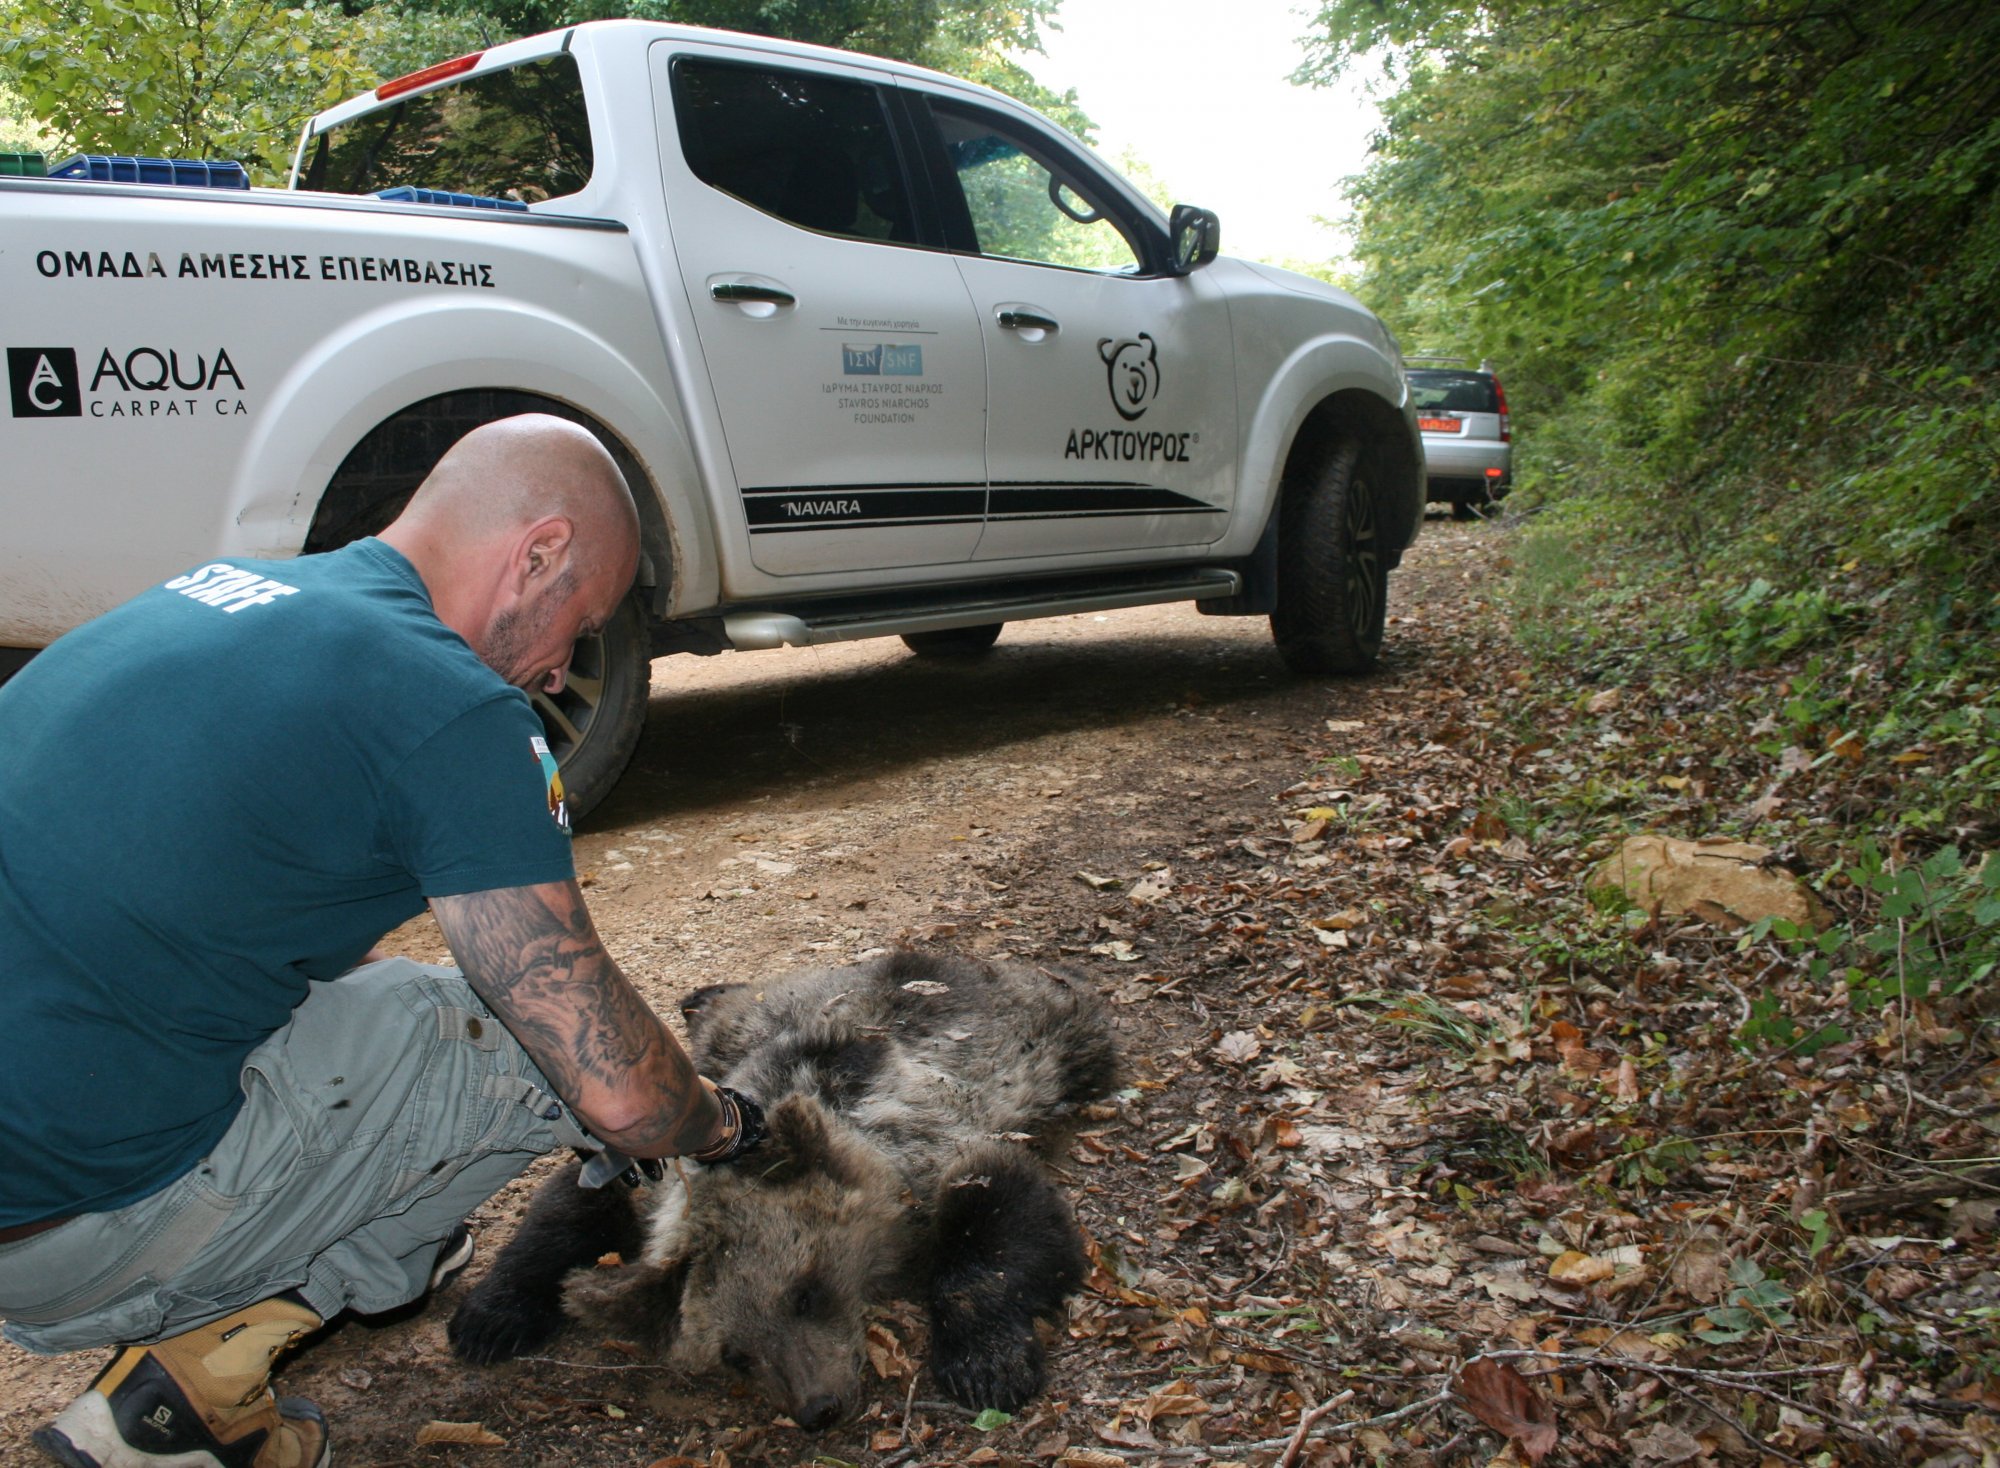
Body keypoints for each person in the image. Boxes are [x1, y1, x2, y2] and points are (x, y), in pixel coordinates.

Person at [0, 414, 766, 1468]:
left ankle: (304, 1254)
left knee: (398, 1014)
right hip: (64, 1239)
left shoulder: (218, 592)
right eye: (576, 625)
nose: (555, 673)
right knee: (514, 1048)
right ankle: (190, 1398)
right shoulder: (453, 710)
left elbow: (249, 904)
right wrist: (726, 1126)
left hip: (27, 1168)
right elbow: (618, 1093)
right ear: (537, 553)